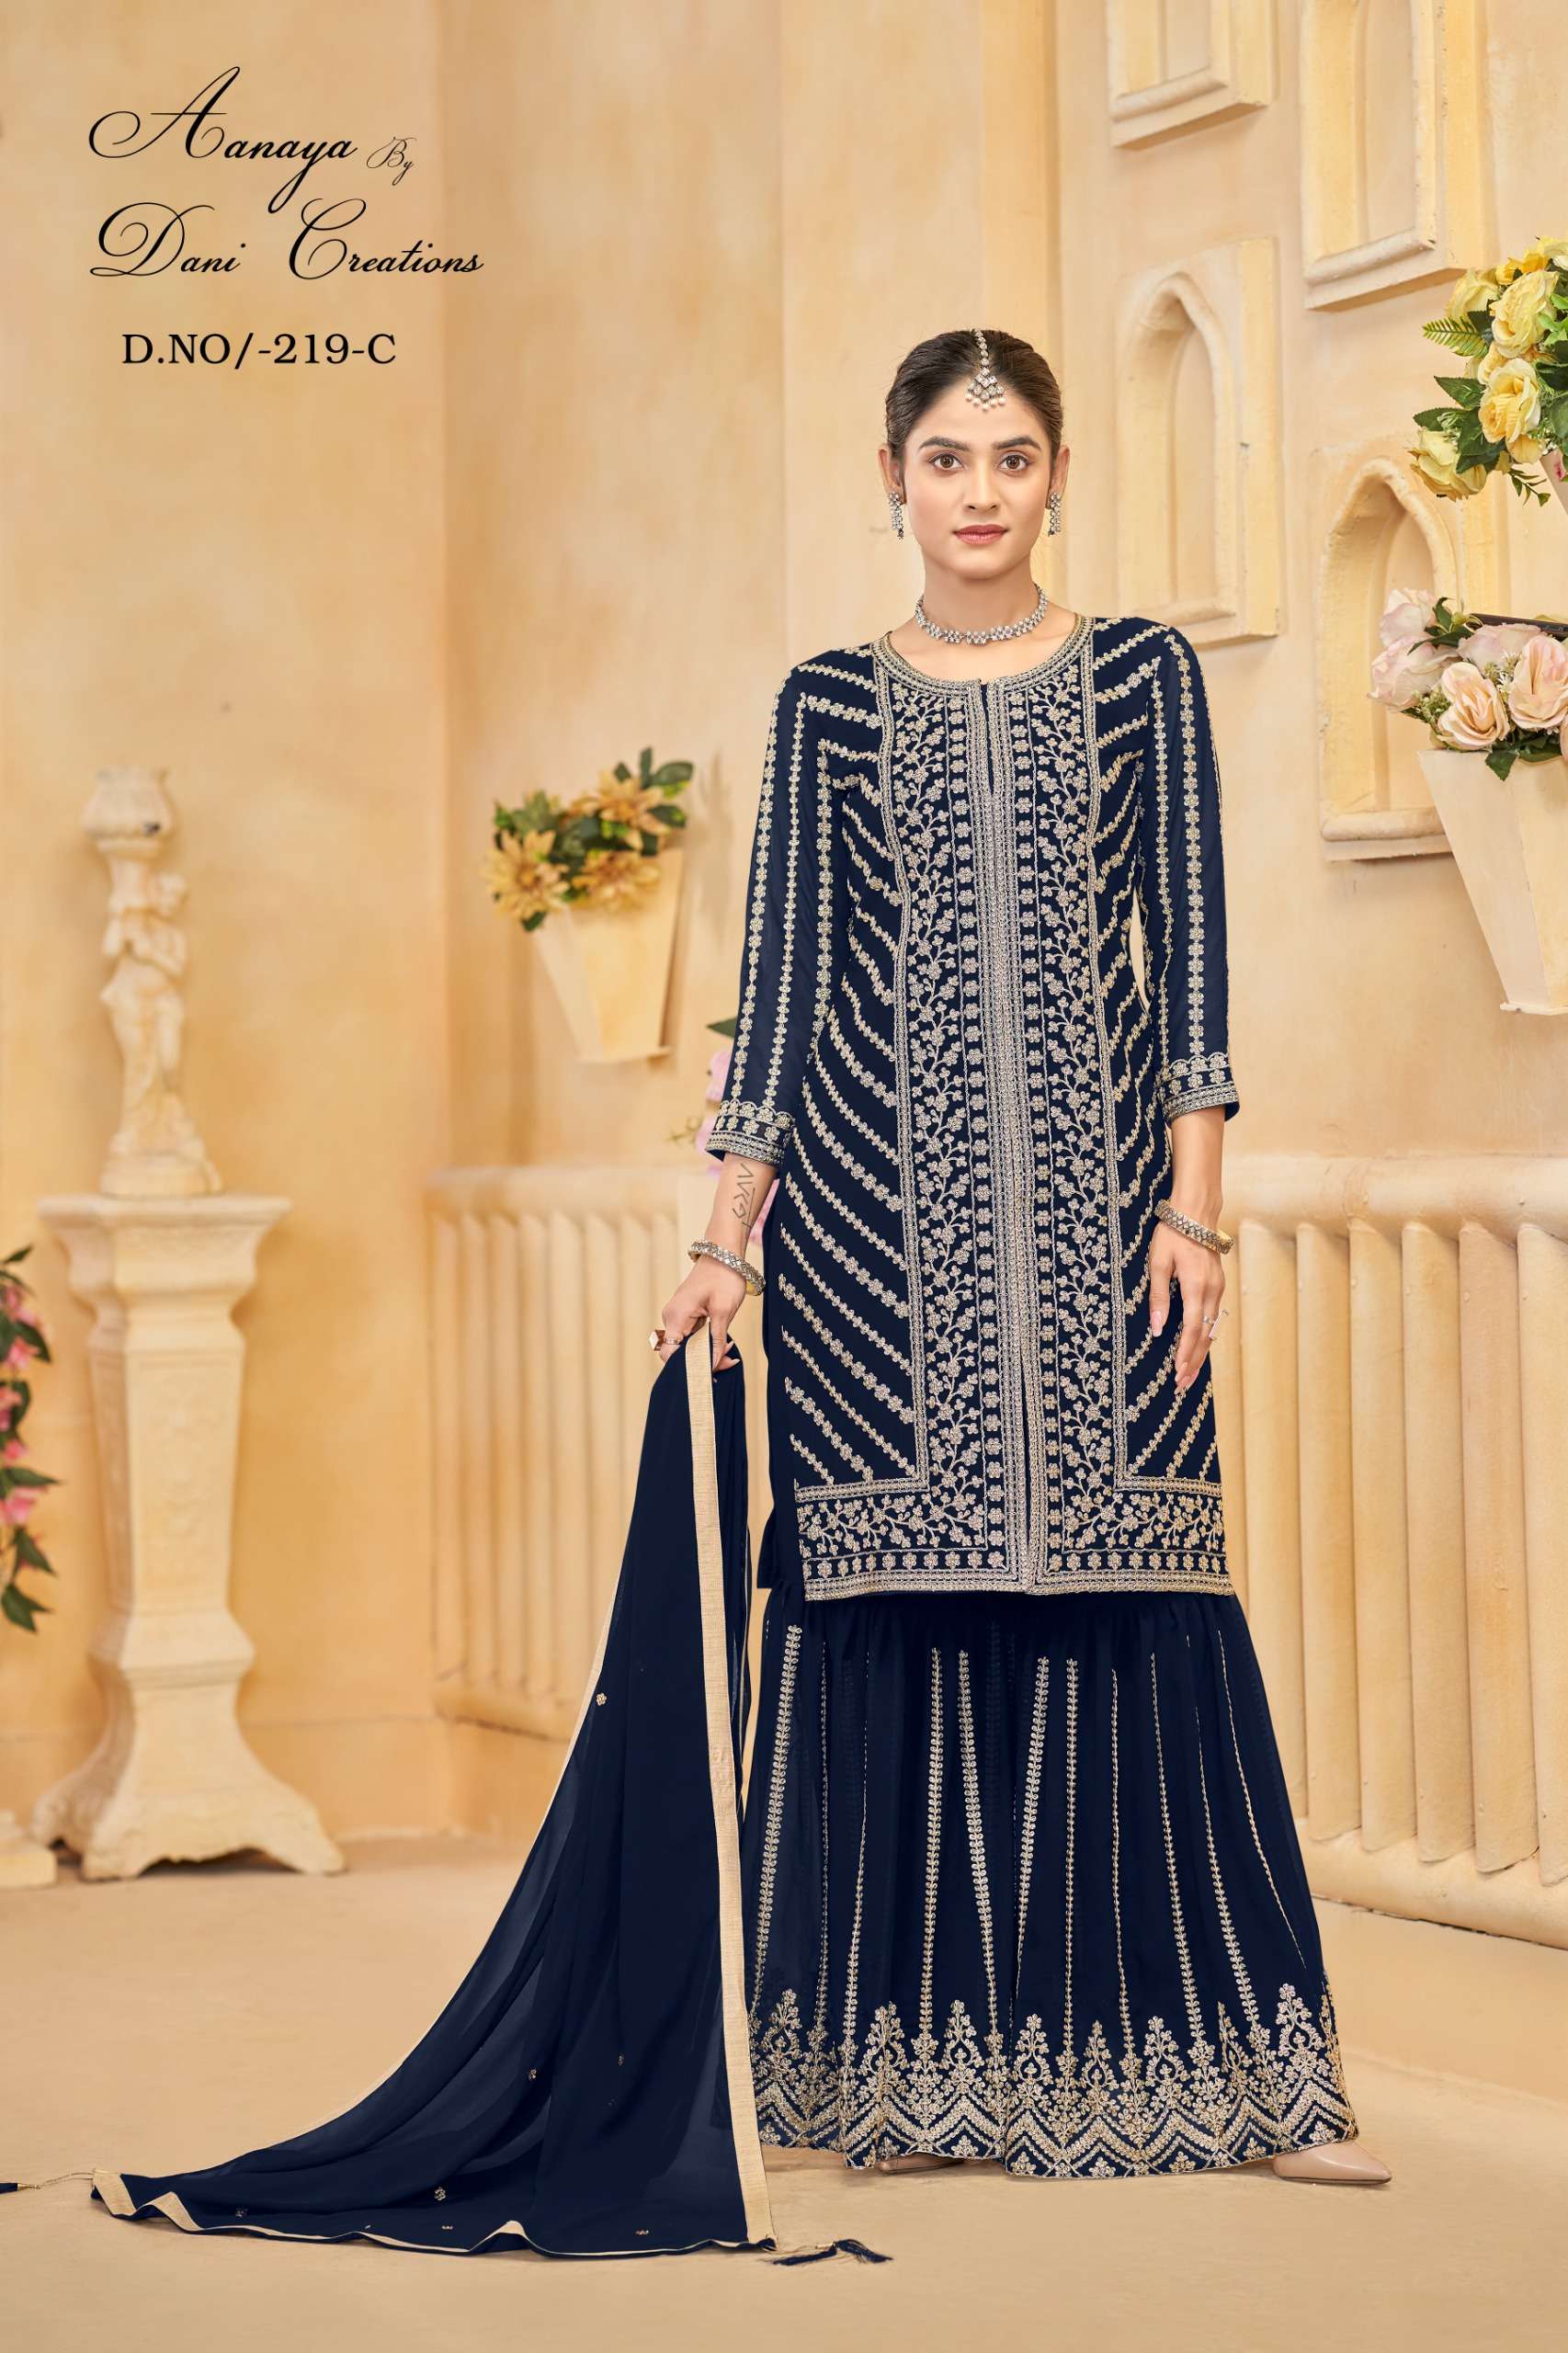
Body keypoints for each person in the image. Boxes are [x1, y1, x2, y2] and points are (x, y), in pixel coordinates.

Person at [655, 325, 1390, 2187]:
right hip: (868, 1248)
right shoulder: (826, 703)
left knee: (1142, 1601)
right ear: (890, 479)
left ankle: (1231, 2081)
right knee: (894, 1619)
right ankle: (900, 2084)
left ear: (1057, 474)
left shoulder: (1141, 674)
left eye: (1009, 458)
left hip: (1101, 1230)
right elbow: (782, 986)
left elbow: (1189, 964)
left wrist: (1191, 1211)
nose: (977, 492)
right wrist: (724, 1242)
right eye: (943, 459)